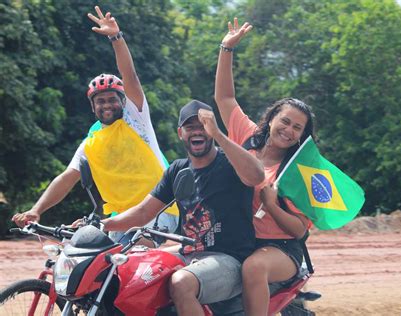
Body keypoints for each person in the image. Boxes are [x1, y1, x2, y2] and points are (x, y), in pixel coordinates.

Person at [12, 6, 178, 244]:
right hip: (119, 217)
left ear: (124, 103)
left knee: (128, 260)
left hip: (158, 212)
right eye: (100, 101)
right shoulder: (92, 141)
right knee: (91, 262)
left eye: (112, 99)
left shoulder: (136, 120)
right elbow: (67, 178)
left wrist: (115, 38)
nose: (107, 104)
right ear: (93, 107)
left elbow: (129, 75)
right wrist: (36, 210)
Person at [101, 100, 265, 316]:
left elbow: (257, 175)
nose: (197, 131)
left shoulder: (231, 162)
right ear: (181, 133)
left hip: (230, 258)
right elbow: (143, 212)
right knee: (129, 267)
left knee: (181, 283)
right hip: (188, 253)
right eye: (190, 127)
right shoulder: (177, 170)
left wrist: (218, 134)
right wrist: (104, 223)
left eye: (202, 126)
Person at [214, 18, 314, 315]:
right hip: (234, 238)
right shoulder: (245, 137)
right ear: (271, 119)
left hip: (280, 248)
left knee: (253, 267)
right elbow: (224, 97)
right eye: (285, 121)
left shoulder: (300, 171)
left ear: (302, 136)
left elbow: (299, 230)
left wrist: (272, 205)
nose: (289, 130)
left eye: (297, 128)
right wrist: (226, 48)